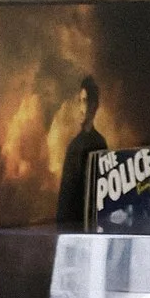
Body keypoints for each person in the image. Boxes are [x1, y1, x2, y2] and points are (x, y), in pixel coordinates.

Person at [55, 73, 109, 229]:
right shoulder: (74, 145)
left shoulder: (99, 143)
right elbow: (65, 198)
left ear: (94, 105)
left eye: (85, 101)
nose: (81, 108)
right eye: (80, 101)